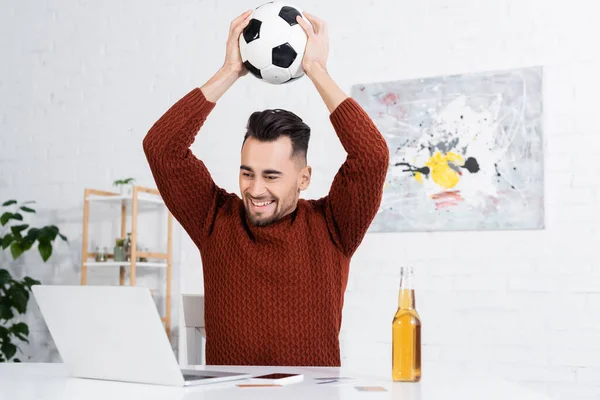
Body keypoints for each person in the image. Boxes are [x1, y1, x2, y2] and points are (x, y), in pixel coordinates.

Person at [143, 10, 389, 366]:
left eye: (271, 176)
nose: (255, 189)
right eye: (247, 173)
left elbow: (371, 155)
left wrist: (316, 69)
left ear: (303, 179)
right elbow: (161, 147)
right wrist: (229, 71)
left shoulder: (334, 226)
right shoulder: (215, 220)